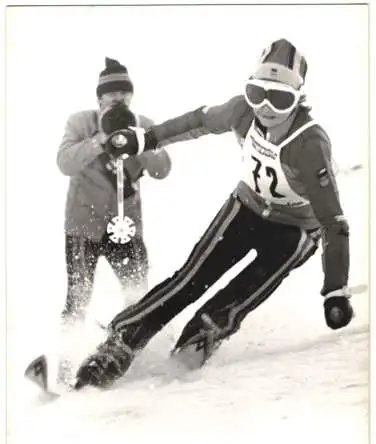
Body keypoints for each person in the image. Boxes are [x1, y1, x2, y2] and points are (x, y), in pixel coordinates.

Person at [73, 39, 354, 389]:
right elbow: (197, 122)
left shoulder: (309, 144)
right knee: (191, 278)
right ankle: (120, 342)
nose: (266, 107)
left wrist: (335, 290)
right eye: (257, 92)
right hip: (246, 209)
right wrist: (144, 140)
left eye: (280, 98)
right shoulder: (242, 112)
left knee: (245, 290)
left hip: (295, 231)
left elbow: (333, 222)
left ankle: (202, 335)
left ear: (297, 98)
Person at [57, 57, 172, 327]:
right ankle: (66, 352)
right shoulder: (80, 122)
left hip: (125, 224)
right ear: (100, 98)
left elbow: (162, 170)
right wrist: (100, 139)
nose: (118, 98)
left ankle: (129, 345)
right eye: (111, 92)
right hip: (83, 225)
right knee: (78, 298)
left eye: (124, 92)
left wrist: (140, 140)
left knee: (137, 295)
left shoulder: (144, 124)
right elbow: (65, 163)